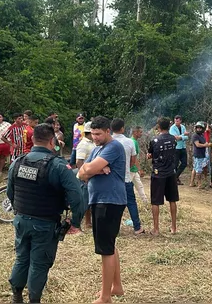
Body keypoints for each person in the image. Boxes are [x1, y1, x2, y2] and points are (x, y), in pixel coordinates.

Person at [7, 123, 85, 304]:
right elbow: (77, 197)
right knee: (39, 263)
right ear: (52, 141)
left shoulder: (18, 161)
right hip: (45, 223)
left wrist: (19, 210)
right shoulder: (58, 165)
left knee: (22, 258)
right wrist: (75, 221)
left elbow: (10, 192)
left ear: (33, 139)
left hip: (21, 220)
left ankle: (16, 296)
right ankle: (34, 300)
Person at [77, 116, 127, 304]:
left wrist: (93, 169)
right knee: (110, 245)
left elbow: (89, 169)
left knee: (105, 249)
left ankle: (105, 297)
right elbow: (81, 172)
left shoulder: (114, 147)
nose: (95, 137)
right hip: (100, 200)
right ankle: (117, 287)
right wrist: (95, 170)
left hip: (109, 201)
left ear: (108, 131)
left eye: (98, 134)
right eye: (92, 134)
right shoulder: (98, 148)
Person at [112, 118, 145, 235]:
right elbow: (133, 161)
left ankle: (114, 229)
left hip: (111, 180)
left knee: (113, 204)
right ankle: (137, 227)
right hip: (125, 178)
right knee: (131, 202)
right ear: (122, 128)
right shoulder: (129, 142)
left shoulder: (108, 141)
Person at [148, 117, 180, 235]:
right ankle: (174, 227)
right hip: (171, 172)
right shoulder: (173, 139)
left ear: (159, 127)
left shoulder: (154, 140)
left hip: (158, 173)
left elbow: (150, 154)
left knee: (155, 201)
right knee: (172, 200)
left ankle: (156, 229)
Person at [75, 123, 95, 230]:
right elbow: (79, 162)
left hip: (91, 176)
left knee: (89, 201)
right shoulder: (83, 144)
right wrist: (85, 176)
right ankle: (76, 224)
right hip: (85, 177)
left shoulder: (93, 143)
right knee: (84, 202)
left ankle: (88, 222)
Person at [169, 115, 189, 185]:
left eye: (178, 121)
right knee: (175, 164)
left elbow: (187, 137)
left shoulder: (183, 127)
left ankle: (175, 177)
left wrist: (181, 137)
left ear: (180, 121)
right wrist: (183, 135)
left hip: (183, 147)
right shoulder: (172, 128)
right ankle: (175, 179)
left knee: (184, 163)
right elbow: (175, 138)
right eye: (175, 121)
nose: (176, 122)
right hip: (176, 148)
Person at [190, 122, 210, 188]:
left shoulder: (201, 135)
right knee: (199, 170)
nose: (199, 129)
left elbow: (204, 142)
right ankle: (199, 184)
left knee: (195, 168)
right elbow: (197, 144)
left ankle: (192, 182)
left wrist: (206, 144)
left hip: (201, 154)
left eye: (200, 128)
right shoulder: (195, 135)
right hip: (198, 154)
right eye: (197, 128)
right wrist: (205, 145)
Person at [130, 126, 147, 201]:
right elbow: (134, 158)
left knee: (139, 185)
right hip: (131, 168)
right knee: (127, 186)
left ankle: (145, 201)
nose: (141, 134)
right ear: (135, 133)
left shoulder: (132, 141)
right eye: (140, 132)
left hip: (133, 169)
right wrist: (140, 169)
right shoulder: (133, 142)